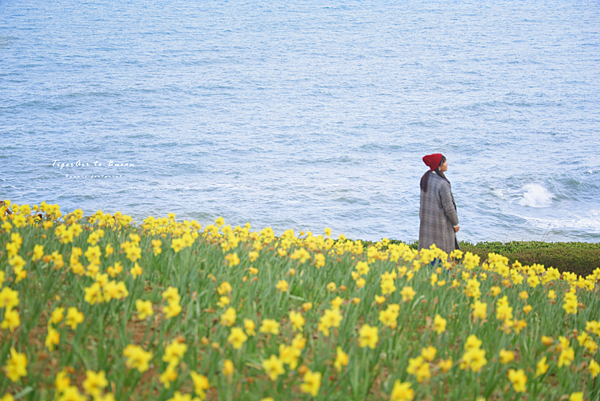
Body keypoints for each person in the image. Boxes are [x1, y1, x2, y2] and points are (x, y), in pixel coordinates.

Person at [418, 153, 460, 255]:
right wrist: (455, 224)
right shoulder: (442, 184)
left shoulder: (426, 178)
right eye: (444, 162)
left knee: (428, 259)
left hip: (427, 225)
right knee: (442, 259)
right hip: (441, 226)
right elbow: (449, 208)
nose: (447, 164)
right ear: (439, 165)